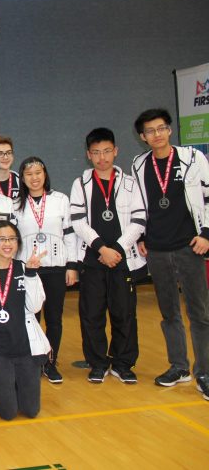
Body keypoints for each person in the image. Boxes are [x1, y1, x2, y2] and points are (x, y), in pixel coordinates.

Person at [131, 108, 209, 398]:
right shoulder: (139, 164)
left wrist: (206, 234)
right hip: (157, 249)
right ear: (142, 137)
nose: (157, 134)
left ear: (170, 130)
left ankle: (205, 372)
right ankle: (179, 366)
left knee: (199, 312)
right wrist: (142, 236)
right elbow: (139, 204)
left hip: (190, 246)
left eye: (161, 128)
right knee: (169, 312)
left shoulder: (192, 158)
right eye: (150, 131)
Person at [70, 128, 145, 384]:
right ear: (88, 155)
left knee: (124, 313)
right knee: (92, 315)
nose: (102, 158)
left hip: (123, 260)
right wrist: (102, 248)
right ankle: (98, 363)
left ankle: (123, 364)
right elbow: (78, 221)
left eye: (106, 151)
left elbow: (139, 220)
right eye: (96, 152)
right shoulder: (80, 184)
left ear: (116, 151)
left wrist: (118, 250)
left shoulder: (130, 183)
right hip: (93, 260)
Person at [0, 221, 51, 420]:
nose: (8, 243)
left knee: (31, 411)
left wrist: (31, 274)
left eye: (12, 239)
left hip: (25, 349)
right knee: (8, 413)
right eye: (2, 239)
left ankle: (9, 384)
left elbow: (35, 307)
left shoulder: (25, 269)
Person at [15, 156, 78, 383]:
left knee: (54, 318)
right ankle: (33, 361)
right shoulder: (15, 204)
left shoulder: (60, 199)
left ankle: (51, 362)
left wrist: (72, 265)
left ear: (45, 174)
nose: (34, 178)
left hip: (55, 268)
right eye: (29, 174)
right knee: (31, 317)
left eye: (38, 173)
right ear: (22, 178)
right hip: (28, 269)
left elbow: (69, 234)